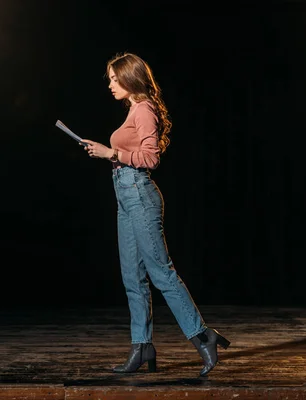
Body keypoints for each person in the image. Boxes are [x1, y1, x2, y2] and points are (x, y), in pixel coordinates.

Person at [79, 52, 231, 377]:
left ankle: (203, 335)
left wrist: (112, 152)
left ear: (129, 78)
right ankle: (142, 346)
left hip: (139, 193)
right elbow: (130, 153)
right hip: (124, 193)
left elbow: (150, 159)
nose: (109, 84)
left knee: (161, 273)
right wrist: (109, 154)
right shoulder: (135, 109)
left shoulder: (144, 109)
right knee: (132, 278)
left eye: (114, 78)